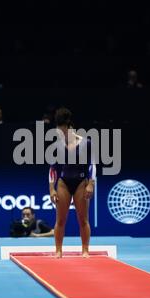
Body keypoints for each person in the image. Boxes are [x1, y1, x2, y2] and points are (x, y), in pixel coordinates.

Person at [49, 107, 96, 258]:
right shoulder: (57, 146)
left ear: (69, 127)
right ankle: (58, 250)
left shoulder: (86, 143)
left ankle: (85, 250)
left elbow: (92, 165)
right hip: (63, 183)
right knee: (60, 220)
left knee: (83, 219)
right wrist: (52, 188)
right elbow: (52, 169)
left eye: (62, 131)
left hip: (81, 182)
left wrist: (91, 184)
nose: (60, 134)